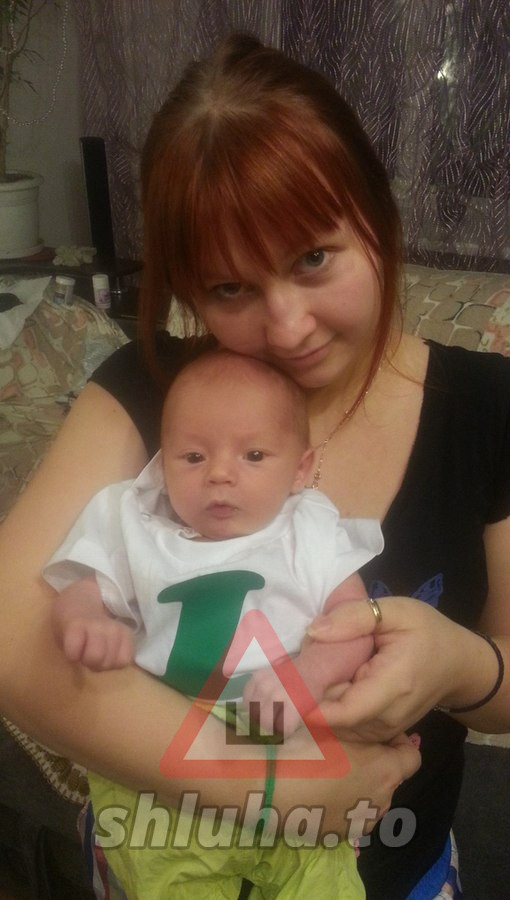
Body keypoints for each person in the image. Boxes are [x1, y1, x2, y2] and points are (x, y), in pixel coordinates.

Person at [0, 30, 508, 900]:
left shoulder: (488, 408)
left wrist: (460, 665)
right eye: (229, 288)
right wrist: (277, 790)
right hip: (159, 863)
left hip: (397, 870)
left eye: (313, 258)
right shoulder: (151, 391)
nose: (287, 327)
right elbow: (13, 641)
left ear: (378, 216)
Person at [45, 348, 384, 897]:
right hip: (164, 754)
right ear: (162, 463)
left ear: (300, 469)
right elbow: (79, 589)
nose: (220, 474)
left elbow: (355, 625)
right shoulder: (132, 521)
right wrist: (86, 618)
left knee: (323, 883)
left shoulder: (311, 531)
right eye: (193, 457)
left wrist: (310, 675)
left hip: (289, 740)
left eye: (253, 455)